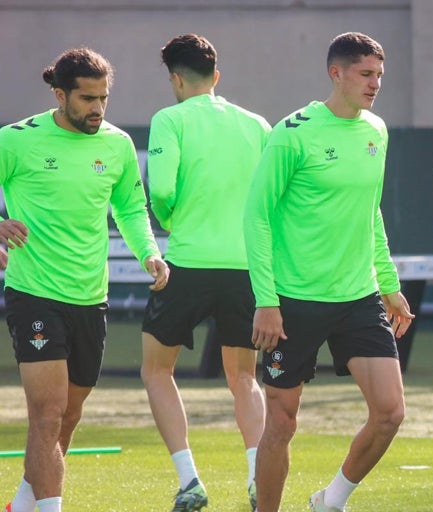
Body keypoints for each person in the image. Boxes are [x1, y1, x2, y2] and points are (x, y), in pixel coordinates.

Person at [243, 32, 414, 512]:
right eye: (365, 73)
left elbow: (370, 212)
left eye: (379, 74)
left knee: (390, 413)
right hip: (293, 300)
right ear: (335, 73)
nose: (375, 83)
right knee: (281, 422)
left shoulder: (376, 130)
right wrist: (266, 300)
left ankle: (331, 500)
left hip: (358, 297)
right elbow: (256, 216)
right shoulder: (293, 133)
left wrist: (389, 284)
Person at [0, 48, 169, 512]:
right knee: (48, 415)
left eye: (104, 98)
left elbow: (131, 209)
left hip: (90, 298)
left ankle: (22, 503)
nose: (97, 108)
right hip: (34, 294)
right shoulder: (15, 140)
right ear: (60, 95)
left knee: (68, 417)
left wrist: (150, 253)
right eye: (87, 99)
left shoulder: (115, 145)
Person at [140, 34, 271, 512]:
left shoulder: (168, 119)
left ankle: (189, 480)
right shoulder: (257, 124)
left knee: (156, 370)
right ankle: (259, 478)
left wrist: (173, 221)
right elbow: (271, 197)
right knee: (244, 379)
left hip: (189, 264)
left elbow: (163, 190)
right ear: (216, 77)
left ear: (175, 79)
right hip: (246, 269)